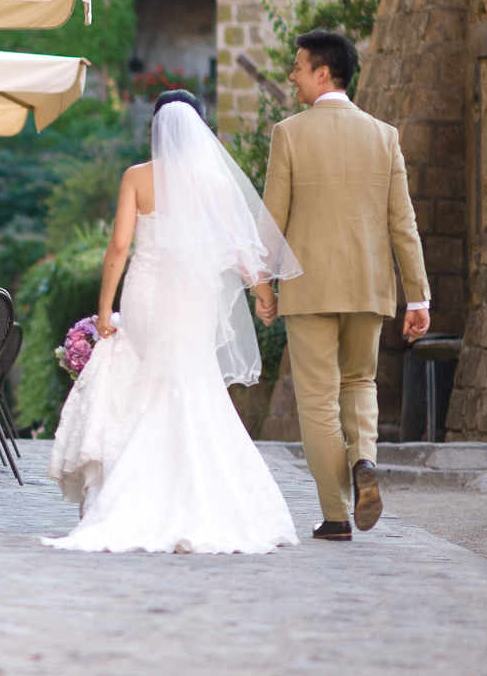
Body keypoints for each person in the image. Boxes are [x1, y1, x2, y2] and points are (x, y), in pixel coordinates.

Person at [41, 91, 301, 553]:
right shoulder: (216, 182)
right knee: (192, 382)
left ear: (156, 130)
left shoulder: (137, 177)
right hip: (193, 298)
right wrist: (264, 293)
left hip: (146, 293)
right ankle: (203, 496)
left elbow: (119, 247)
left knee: (142, 382)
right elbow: (240, 248)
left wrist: (104, 307)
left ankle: (133, 490)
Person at [259, 30, 431, 540]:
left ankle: (335, 516)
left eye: (297, 67)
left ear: (321, 73)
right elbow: (403, 224)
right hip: (368, 286)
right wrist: (418, 297)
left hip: (308, 288)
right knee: (359, 383)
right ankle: (364, 463)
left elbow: (272, 221)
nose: (291, 76)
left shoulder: (289, 134)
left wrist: (262, 285)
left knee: (317, 402)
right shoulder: (385, 136)